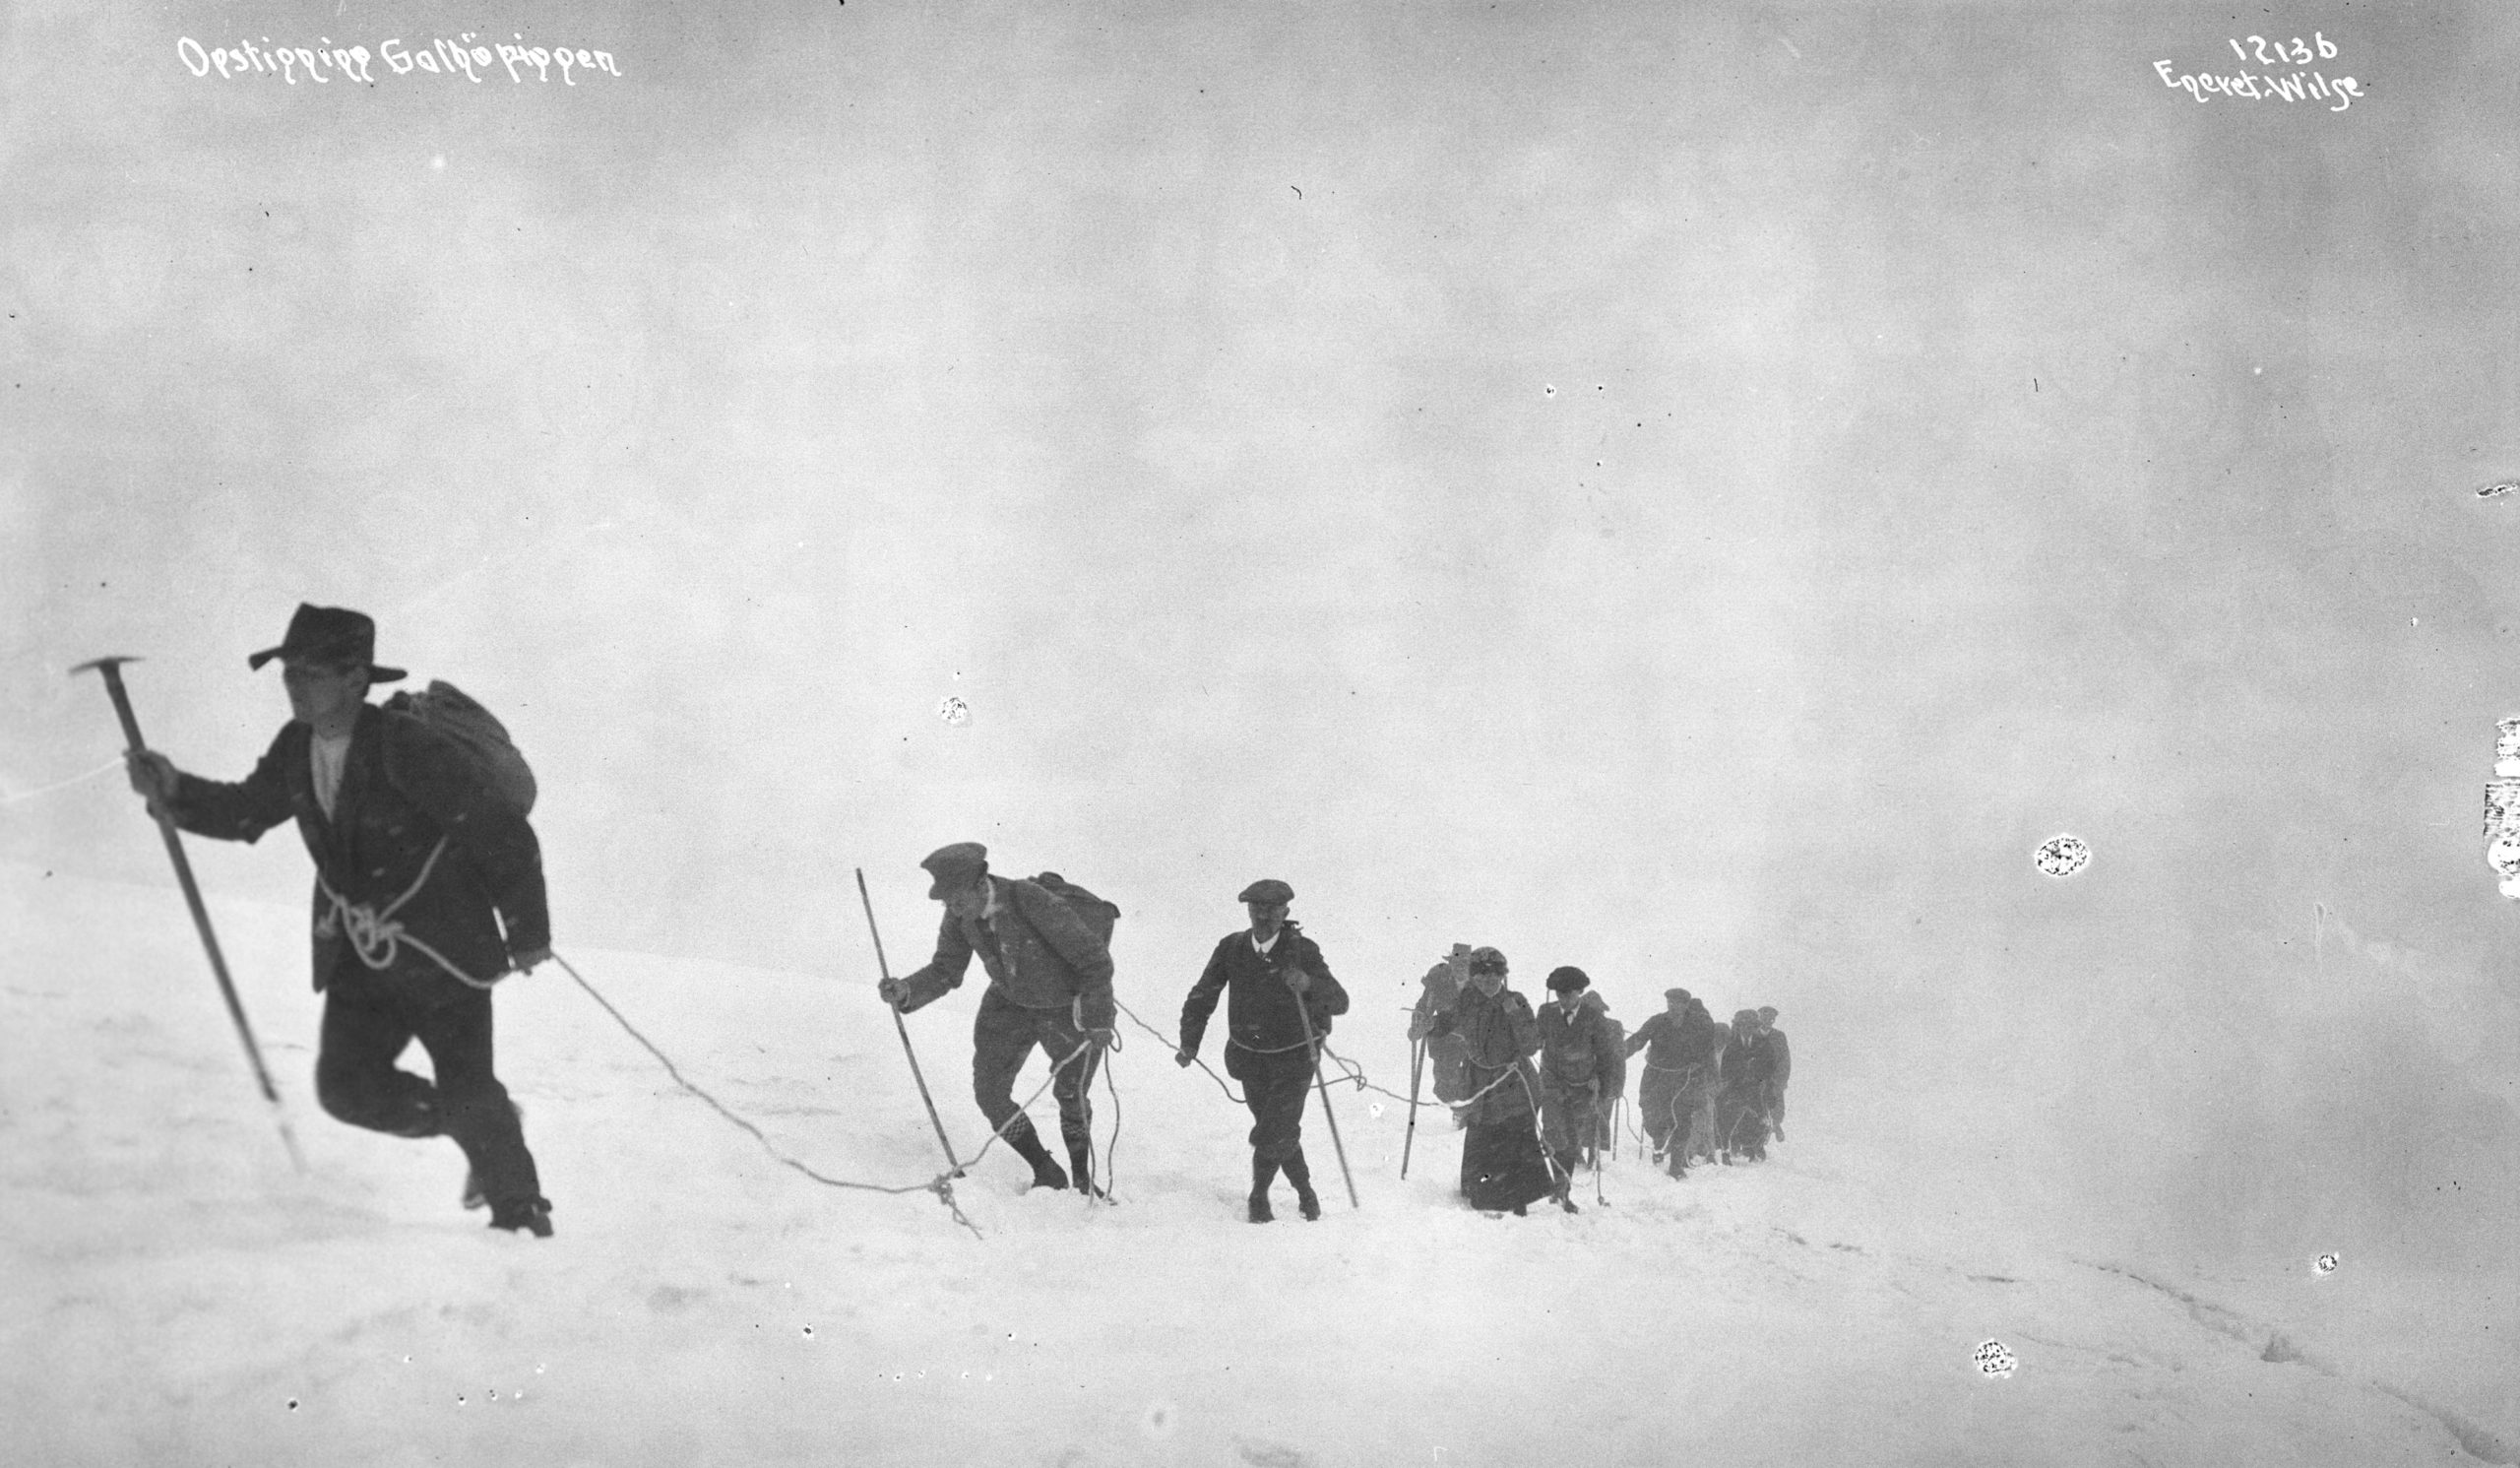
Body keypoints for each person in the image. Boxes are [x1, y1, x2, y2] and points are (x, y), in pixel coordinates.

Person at [123, 605, 555, 1236]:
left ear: (356, 678)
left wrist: (527, 934)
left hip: (442, 952)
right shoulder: (296, 746)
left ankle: (520, 1216)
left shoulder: (408, 747)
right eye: (288, 672)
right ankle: (487, 1125)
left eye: (309, 672)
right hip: (360, 952)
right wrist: (173, 790)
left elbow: (501, 833)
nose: (294, 685)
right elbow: (248, 811)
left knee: (467, 1084)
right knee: (347, 1088)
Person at [880, 843, 1116, 1197]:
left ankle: (1082, 1179)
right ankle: (1046, 1169)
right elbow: (946, 969)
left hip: (1065, 1009)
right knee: (989, 1094)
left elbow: (1094, 959)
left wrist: (1098, 1018)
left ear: (979, 884)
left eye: (956, 900)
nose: (952, 910)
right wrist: (907, 991)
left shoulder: (1029, 899)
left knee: (1071, 1093)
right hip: (1008, 1005)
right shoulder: (960, 915)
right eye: (947, 904)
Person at [1175, 879, 1350, 1223]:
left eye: (1271, 909)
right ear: (1248, 910)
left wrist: (1309, 983)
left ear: (1286, 911)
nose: (1263, 915)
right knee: (1279, 1130)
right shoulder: (1231, 948)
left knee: (1273, 1129)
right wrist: (1189, 1042)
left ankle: (1259, 1196)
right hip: (1249, 1058)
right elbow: (1202, 996)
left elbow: (1339, 1001)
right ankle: (1305, 1191)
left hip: (1295, 1057)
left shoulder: (1303, 951)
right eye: (1256, 908)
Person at [1418, 947, 1558, 1215]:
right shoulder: (1467, 1000)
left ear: (1502, 978)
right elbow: (1446, 1023)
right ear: (1474, 979)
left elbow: (1531, 1045)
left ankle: (1516, 1202)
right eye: (1481, 979)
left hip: (1513, 1081)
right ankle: (1479, 1192)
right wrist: (1428, 1025)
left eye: (1493, 979)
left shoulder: (1516, 1001)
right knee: (1482, 1134)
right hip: (1480, 1080)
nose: (1487, 984)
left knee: (1512, 1138)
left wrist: (1514, 1014)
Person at [1534, 967, 1622, 1202]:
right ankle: (1558, 1186)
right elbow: (1534, 1040)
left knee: (1573, 1140)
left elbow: (1605, 1056)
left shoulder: (1594, 1017)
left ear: (1579, 992)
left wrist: (1601, 1084)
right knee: (1553, 1135)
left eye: (1569, 994)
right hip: (1552, 1083)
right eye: (1559, 994)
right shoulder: (1546, 1012)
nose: (1563, 999)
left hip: (1581, 1088)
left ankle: (1563, 1189)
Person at [1626, 988, 1720, 1178]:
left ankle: (1676, 1166)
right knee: (1652, 1117)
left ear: (1686, 1005)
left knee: (1682, 1121)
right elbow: (1638, 1040)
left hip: (1683, 1080)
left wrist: (1710, 1075)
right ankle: (1659, 1143)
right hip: (1656, 1078)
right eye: (1670, 1002)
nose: (1673, 1006)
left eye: (1677, 1003)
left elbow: (1708, 1052)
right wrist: (1617, 1055)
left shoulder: (1697, 1025)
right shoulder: (1657, 1021)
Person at [1409, 946, 1475, 1118]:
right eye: (1456, 964)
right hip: (1445, 1041)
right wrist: (1417, 1025)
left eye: (1465, 964)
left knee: (1475, 1082)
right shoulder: (1439, 981)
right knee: (1444, 1088)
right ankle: (1460, 1110)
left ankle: (1467, 1116)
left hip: (1474, 1042)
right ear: (1450, 964)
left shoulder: (1480, 983)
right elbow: (1423, 1007)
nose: (1460, 968)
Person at [1716, 1008, 1778, 1162]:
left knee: (1761, 1116)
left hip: (1756, 1087)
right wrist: (1739, 1073)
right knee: (1723, 1111)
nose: (1746, 1029)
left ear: (1755, 1027)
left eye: (1750, 1026)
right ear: (1737, 1027)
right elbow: (1725, 1070)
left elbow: (1770, 1069)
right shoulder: (1730, 1045)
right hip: (1734, 1086)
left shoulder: (1764, 1044)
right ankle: (1725, 1148)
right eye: (1742, 1026)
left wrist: (1765, 1084)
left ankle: (1754, 1145)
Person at [1755, 1005, 1791, 1142]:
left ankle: (1775, 1125)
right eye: (1765, 1016)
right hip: (1755, 1078)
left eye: (1771, 1018)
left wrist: (1780, 1080)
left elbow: (1785, 1059)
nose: (1768, 1020)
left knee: (1777, 1108)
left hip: (1774, 1079)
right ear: (1759, 1017)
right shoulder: (1751, 1033)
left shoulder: (1779, 1036)